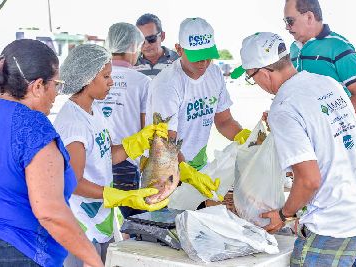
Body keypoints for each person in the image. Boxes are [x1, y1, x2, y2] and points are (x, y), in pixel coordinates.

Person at [231, 32, 356, 266]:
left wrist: (283, 215)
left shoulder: (283, 107)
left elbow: (309, 180)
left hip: (334, 225)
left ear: (262, 73)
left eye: (251, 78)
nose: (257, 84)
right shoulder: (326, 82)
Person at [53, 44, 169, 266]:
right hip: (80, 223)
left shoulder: (93, 110)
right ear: (87, 79)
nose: (111, 82)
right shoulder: (73, 124)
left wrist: (138, 141)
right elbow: (73, 183)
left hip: (102, 218)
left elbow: (107, 156)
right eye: (106, 76)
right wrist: (121, 196)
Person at [0, 39, 103, 267]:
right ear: (37, 86)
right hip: (23, 252)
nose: (58, 92)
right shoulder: (33, 127)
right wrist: (93, 259)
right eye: (56, 84)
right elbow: (49, 211)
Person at [145, 17, 251, 201]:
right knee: (168, 222)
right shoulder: (168, 84)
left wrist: (245, 138)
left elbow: (224, 121)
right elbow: (165, 142)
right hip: (164, 170)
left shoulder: (214, 73)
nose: (203, 62)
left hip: (199, 165)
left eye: (207, 55)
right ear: (179, 49)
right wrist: (185, 172)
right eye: (196, 57)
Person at [96, 22, 150, 219]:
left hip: (97, 160)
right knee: (135, 222)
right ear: (133, 48)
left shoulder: (95, 78)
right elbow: (147, 128)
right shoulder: (143, 82)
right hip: (128, 161)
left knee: (105, 220)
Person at [283, 0, 356, 116]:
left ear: (309, 17)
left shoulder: (338, 46)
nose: (286, 27)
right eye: (285, 21)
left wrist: (329, 127)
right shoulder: (293, 48)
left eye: (290, 21)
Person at [135, 13, 179, 78]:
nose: (146, 45)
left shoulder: (178, 61)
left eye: (151, 38)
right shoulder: (132, 64)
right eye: (141, 40)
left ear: (162, 36)